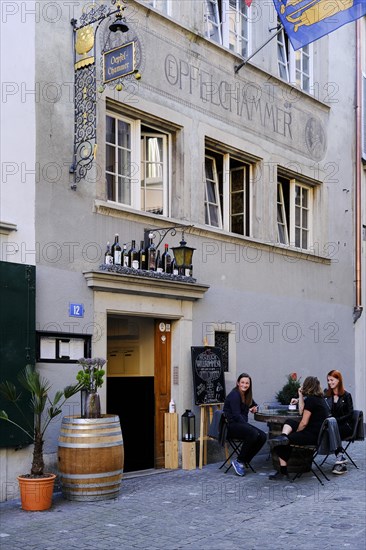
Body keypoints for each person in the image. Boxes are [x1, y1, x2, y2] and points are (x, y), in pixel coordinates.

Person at [268, 376, 329, 481]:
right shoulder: (319, 399)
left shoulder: (311, 400)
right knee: (289, 422)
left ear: (307, 386)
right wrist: (300, 395)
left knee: (283, 442)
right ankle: (283, 437)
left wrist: (296, 433)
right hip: (316, 433)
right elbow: (302, 411)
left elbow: (304, 423)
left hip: (312, 436)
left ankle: (282, 471)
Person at [223, 372, 266, 477]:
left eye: (247, 383)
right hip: (230, 426)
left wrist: (254, 408)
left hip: (240, 425)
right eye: (242, 382)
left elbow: (254, 405)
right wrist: (248, 427)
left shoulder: (247, 395)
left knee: (263, 436)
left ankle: (244, 460)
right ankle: (239, 461)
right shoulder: (235, 395)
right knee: (253, 433)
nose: (244, 385)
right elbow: (237, 416)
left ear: (249, 384)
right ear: (238, 383)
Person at [324, 369, 354, 475]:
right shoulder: (326, 394)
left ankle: (340, 458)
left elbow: (350, 414)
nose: (329, 382)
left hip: (345, 426)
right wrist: (299, 399)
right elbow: (314, 398)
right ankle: (340, 456)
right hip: (332, 425)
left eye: (332, 380)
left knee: (331, 430)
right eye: (328, 380)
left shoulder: (346, 395)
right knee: (328, 430)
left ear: (338, 380)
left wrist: (337, 420)